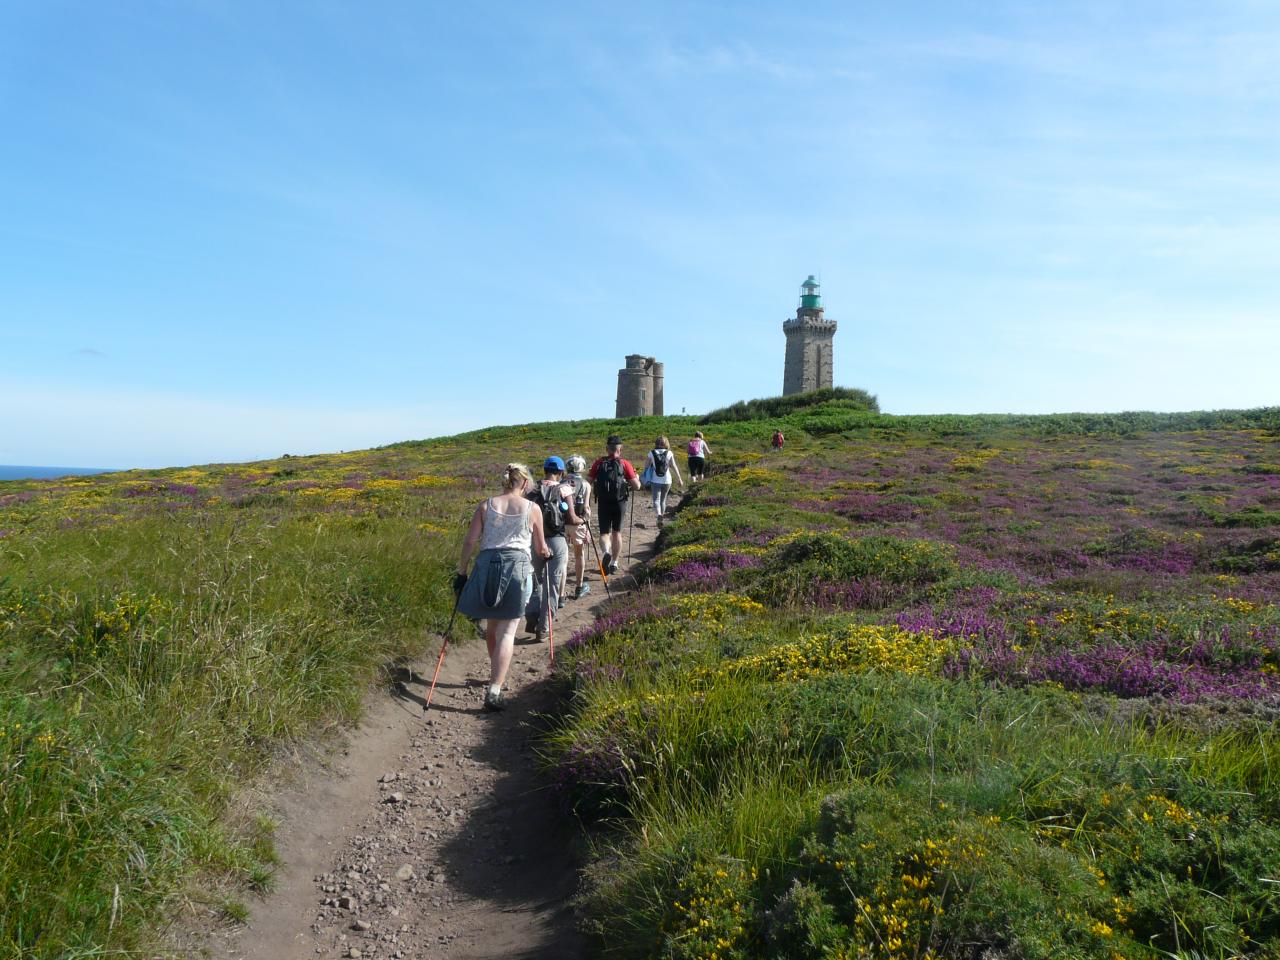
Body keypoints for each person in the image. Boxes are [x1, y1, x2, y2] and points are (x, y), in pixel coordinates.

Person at [453, 463, 552, 712]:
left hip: (487, 566)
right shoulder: (533, 508)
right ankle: (495, 689)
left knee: (492, 627)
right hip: (517, 567)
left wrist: (462, 572)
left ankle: (494, 670)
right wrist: (547, 553)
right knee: (508, 632)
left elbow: (469, 541)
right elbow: (540, 549)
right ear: (526, 483)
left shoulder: (486, 505)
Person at [524, 456, 582, 640]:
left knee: (536, 580)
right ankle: (544, 627)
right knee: (553, 583)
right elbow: (572, 518)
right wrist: (583, 520)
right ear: (561, 472)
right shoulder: (564, 489)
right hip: (557, 540)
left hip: (535, 540)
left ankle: (532, 616)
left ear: (545, 470)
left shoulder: (532, 489)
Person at [588, 434, 641, 574]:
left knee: (604, 533)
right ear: (620, 449)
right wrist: (637, 480)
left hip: (603, 502)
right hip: (619, 502)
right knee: (617, 532)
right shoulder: (624, 463)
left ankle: (606, 552)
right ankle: (614, 562)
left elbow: (588, 482)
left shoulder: (598, 463)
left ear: (607, 449)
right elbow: (636, 486)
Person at [564, 454, 592, 599]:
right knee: (579, 554)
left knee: (563, 557)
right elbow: (586, 508)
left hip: (561, 524)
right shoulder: (586, 484)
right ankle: (579, 587)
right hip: (578, 523)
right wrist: (587, 525)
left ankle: (561, 594)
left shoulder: (561, 482)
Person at [643, 436, 683, 526]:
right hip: (667, 480)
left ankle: (659, 515)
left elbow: (646, 466)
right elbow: (674, 466)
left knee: (656, 500)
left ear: (656, 443)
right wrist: (679, 479)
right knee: (663, 500)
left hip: (655, 480)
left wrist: (645, 474)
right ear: (666, 443)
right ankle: (661, 518)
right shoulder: (669, 453)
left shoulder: (651, 453)